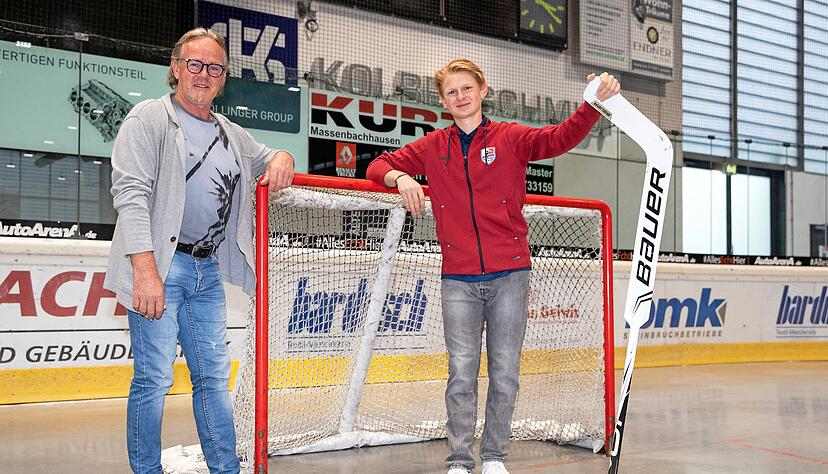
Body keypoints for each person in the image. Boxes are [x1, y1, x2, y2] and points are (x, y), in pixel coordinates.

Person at [366, 59, 619, 474]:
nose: (460, 96)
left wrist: (591, 104)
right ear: (443, 101)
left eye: (467, 88)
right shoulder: (433, 146)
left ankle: (495, 457)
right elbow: (377, 165)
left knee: (504, 373)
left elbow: (559, 138)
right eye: (451, 92)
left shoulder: (511, 138)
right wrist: (401, 178)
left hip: (510, 274)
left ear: (483, 91)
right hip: (458, 280)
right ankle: (460, 460)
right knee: (461, 373)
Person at [104, 27, 294, 474]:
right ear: (175, 69)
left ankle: (225, 469)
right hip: (160, 267)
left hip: (206, 271)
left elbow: (269, 158)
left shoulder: (232, 133)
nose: (203, 74)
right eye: (194, 64)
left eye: (214, 67)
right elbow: (129, 194)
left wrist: (283, 155)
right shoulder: (148, 118)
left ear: (223, 78)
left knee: (212, 378)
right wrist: (145, 272)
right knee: (154, 379)